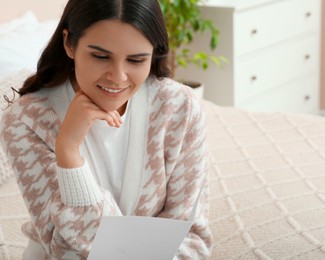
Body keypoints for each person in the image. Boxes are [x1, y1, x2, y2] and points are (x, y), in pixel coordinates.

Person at [0, 0, 212, 259]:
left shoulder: (181, 108)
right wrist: (68, 152)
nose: (118, 76)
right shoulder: (25, 121)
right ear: (69, 43)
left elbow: (193, 239)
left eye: (136, 60)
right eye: (100, 56)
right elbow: (65, 250)